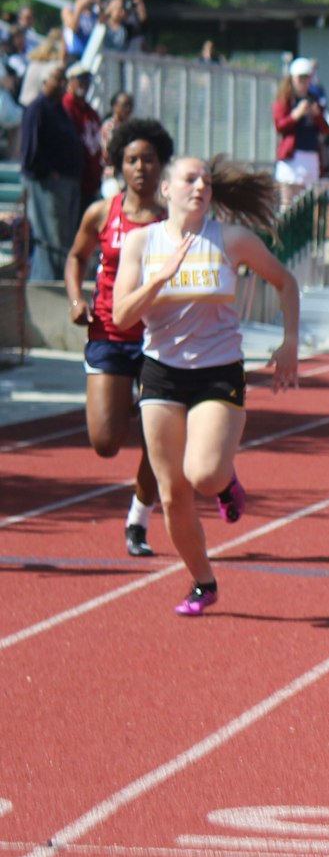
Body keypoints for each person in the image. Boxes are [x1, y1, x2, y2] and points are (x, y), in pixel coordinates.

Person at [111, 157, 301, 615]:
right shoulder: (141, 243)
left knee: (204, 475)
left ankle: (224, 481)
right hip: (161, 374)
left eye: (207, 182)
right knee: (173, 493)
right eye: (190, 179)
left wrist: (290, 342)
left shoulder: (230, 239)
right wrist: (159, 277)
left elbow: (285, 281)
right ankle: (202, 582)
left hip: (218, 372)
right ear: (166, 190)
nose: (200, 187)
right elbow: (121, 316)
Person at [63, 117, 174, 556]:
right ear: (118, 165)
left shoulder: (173, 220)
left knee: (158, 443)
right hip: (109, 332)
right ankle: (131, 402)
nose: (141, 167)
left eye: (149, 159)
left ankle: (137, 522)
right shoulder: (101, 212)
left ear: (161, 165)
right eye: (132, 160)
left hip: (159, 341)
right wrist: (76, 300)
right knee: (106, 443)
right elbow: (76, 256)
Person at [18, 64, 82, 282]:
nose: (62, 84)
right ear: (45, 82)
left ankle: (59, 279)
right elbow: (30, 152)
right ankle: (46, 282)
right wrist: (47, 172)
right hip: (46, 185)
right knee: (50, 238)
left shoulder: (58, 109)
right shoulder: (37, 109)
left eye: (63, 79)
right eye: (57, 79)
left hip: (65, 183)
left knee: (63, 238)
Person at [273, 57, 329, 204]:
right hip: (292, 158)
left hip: (310, 155)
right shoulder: (285, 99)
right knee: (288, 203)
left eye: (307, 78)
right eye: (300, 78)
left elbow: (325, 129)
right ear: (292, 78)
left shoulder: (314, 98)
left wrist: (317, 115)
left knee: (306, 203)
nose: (304, 82)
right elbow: (280, 126)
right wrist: (295, 115)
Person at [60, 63, 102, 220]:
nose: (84, 84)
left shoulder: (89, 111)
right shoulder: (65, 107)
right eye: (80, 79)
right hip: (73, 179)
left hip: (90, 181)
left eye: (87, 79)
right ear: (70, 81)